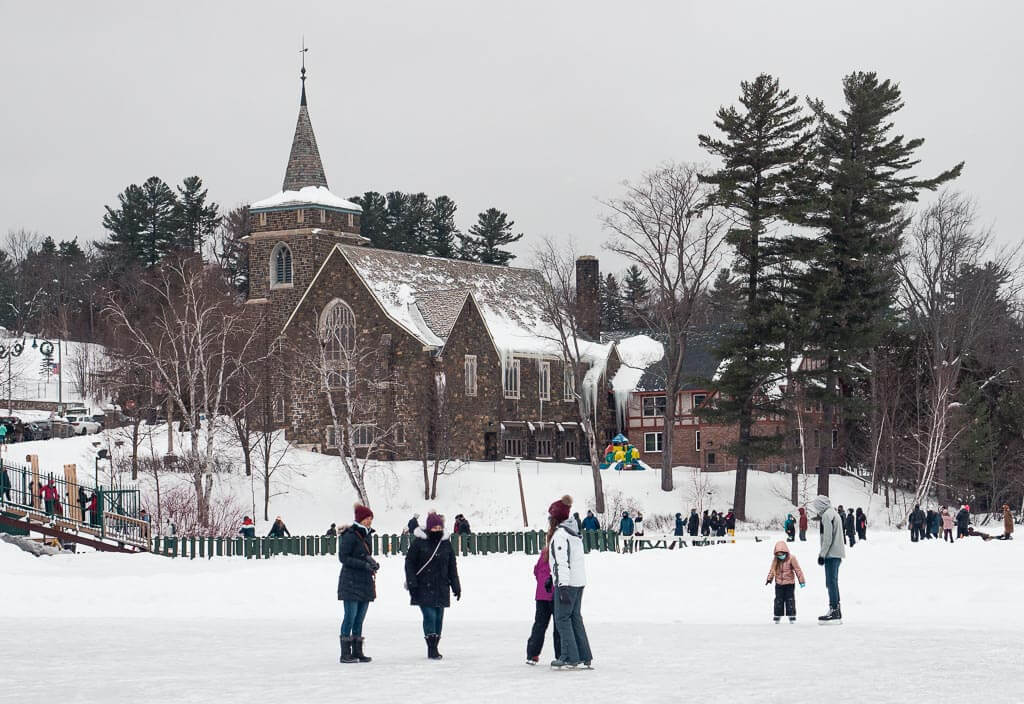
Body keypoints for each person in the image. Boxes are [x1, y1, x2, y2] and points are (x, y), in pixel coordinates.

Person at [405, 512, 461, 660]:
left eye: (439, 527)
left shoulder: (446, 544)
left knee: (438, 618)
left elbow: (452, 566)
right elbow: (409, 564)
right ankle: (431, 648)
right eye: (434, 527)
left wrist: (456, 585)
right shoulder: (419, 543)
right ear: (429, 528)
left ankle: (435, 645)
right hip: (423, 586)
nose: (437, 529)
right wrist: (412, 584)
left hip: (441, 585)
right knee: (429, 616)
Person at [547, 495, 592, 669]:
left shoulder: (560, 535)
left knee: (562, 618)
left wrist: (562, 585)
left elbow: (562, 562)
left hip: (569, 583)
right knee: (575, 617)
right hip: (579, 581)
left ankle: (569, 656)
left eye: (551, 516)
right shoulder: (574, 532)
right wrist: (553, 578)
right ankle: (584, 655)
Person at [338, 504, 379, 664]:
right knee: (350, 616)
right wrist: (364, 565)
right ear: (361, 519)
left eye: (371, 519)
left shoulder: (367, 535)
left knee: (359, 618)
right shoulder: (350, 535)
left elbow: (364, 554)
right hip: (350, 582)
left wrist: (372, 562)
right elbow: (344, 557)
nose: (370, 521)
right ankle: (345, 653)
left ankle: (357, 651)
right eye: (367, 518)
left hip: (365, 582)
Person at [809, 495, 845, 624]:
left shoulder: (826, 516)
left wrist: (822, 554)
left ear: (820, 505)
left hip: (831, 554)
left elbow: (827, 538)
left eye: (816, 507)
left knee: (830, 583)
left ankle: (834, 609)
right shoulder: (833, 513)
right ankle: (836, 609)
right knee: (833, 582)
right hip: (837, 553)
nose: (816, 509)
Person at [525, 546, 561, 665]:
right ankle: (560, 654)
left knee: (539, 625)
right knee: (559, 626)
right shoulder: (558, 554)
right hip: (554, 594)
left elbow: (536, 571)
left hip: (541, 595)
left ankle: (532, 653)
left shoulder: (543, 556)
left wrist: (541, 582)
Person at [765, 540, 806, 623]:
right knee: (778, 600)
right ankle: (778, 615)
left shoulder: (792, 558)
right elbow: (772, 569)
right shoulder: (776, 560)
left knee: (790, 599)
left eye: (782, 554)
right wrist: (769, 578)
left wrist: (801, 581)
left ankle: (791, 615)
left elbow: (797, 569)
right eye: (778, 555)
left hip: (789, 584)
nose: (780, 556)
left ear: (785, 552)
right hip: (779, 584)